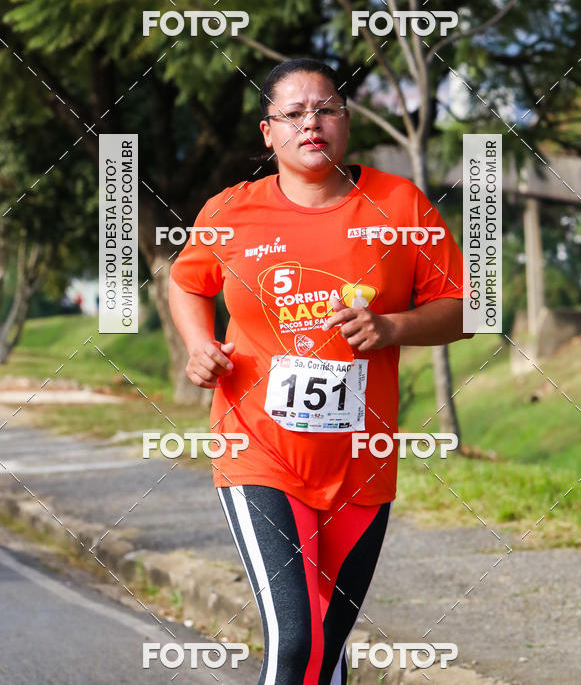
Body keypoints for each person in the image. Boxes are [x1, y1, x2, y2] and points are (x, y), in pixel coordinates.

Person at [168, 57, 472, 684]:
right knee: (295, 637)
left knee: (324, 652)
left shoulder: (398, 204)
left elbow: (462, 309)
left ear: (346, 121)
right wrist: (200, 344)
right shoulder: (231, 211)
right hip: (258, 449)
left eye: (327, 109)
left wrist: (393, 328)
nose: (313, 122)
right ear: (268, 132)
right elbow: (187, 282)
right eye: (295, 113)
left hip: (360, 461)